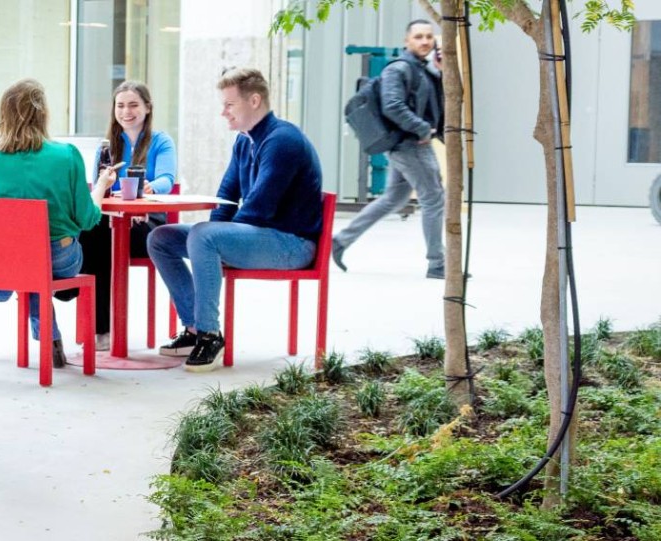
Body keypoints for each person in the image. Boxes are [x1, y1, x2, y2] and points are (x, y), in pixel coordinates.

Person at [147, 68, 325, 372]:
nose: (223, 112)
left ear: (254, 100)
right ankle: (192, 329)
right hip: (260, 235)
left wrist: (215, 237)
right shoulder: (245, 141)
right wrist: (216, 231)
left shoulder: (283, 140)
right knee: (161, 238)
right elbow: (228, 194)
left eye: (229, 105)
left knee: (205, 236)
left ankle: (210, 335)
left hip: (291, 244)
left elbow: (259, 207)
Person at [0, 79, 109, 369]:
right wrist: (102, 186)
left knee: (24, 266)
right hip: (61, 257)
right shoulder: (67, 155)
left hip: (6, 262)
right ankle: (50, 342)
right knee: (35, 270)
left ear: (3, 115)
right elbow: (88, 219)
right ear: (43, 114)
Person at [332, 19, 446, 279]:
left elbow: (434, 106)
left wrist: (440, 72)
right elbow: (392, 106)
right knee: (434, 198)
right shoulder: (400, 69)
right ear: (407, 41)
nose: (425, 41)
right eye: (418, 37)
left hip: (408, 143)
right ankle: (437, 263)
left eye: (429, 37)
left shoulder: (423, 69)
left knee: (394, 198)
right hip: (411, 145)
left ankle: (339, 241)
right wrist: (420, 128)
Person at [78, 81, 179, 347]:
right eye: (120, 106)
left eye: (133, 105)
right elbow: (96, 191)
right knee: (93, 233)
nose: (126, 112)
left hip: (149, 224)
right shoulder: (106, 146)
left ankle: (91, 317)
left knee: (96, 239)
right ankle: (102, 330)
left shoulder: (161, 141)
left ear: (147, 108)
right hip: (112, 221)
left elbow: (168, 179)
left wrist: (149, 187)